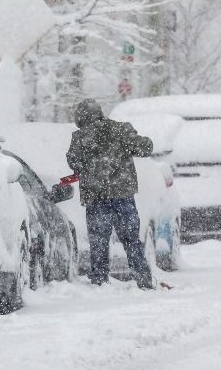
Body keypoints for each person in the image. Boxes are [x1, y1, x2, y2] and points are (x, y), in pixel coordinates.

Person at [65, 99, 155, 289]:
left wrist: (90, 166)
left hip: (96, 197)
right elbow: (145, 147)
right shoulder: (121, 130)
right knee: (131, 238)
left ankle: (99, 280)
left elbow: (73, 162)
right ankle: (143, 277)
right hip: (122, 194)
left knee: (98, 240)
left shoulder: (80, 137)